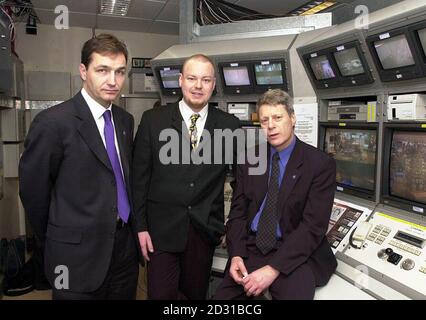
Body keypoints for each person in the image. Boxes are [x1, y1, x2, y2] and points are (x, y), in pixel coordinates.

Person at [19, 34, 140, 300]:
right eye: (102, 70)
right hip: (75, 256)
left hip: (123, 250)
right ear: (83, 71)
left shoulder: (124, 121)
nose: (113, 81)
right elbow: (33, 193)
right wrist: (58, 238)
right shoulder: (53, 123)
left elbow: (121, 180)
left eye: (120, 72)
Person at [132, 54, 240, 300]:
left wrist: (233, 224)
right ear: (180, 81)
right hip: (160, 232)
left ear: (214, 85)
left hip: (203, 231)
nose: (198, 86)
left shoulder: (229, 126)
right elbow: (139, 179)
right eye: (192, 78)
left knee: (194, 298)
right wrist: (140, 227)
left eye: (205, 80)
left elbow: (242, 182)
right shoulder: (153, 121)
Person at [214, 89, 337, 300]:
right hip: (252, 248)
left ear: (292, 118)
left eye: (277, 118)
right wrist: (235, 255)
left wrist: (272, 269)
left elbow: (312, 227)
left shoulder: (319, 164)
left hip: (294, 252)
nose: (271, 126)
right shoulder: (250, 158)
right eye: (264, 120)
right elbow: (238, 214)